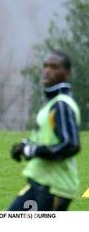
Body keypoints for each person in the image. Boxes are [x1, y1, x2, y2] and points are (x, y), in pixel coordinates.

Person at [8, 51, 81, 211]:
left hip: (55, 187)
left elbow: (70, 145)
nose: (48, 70)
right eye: (46, 66)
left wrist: (33, 150)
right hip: (41, 183)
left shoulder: (61, 105)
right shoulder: (52, 102)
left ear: (67, 73)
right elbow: (49, 140)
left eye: (54, 67)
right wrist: (25, 146)